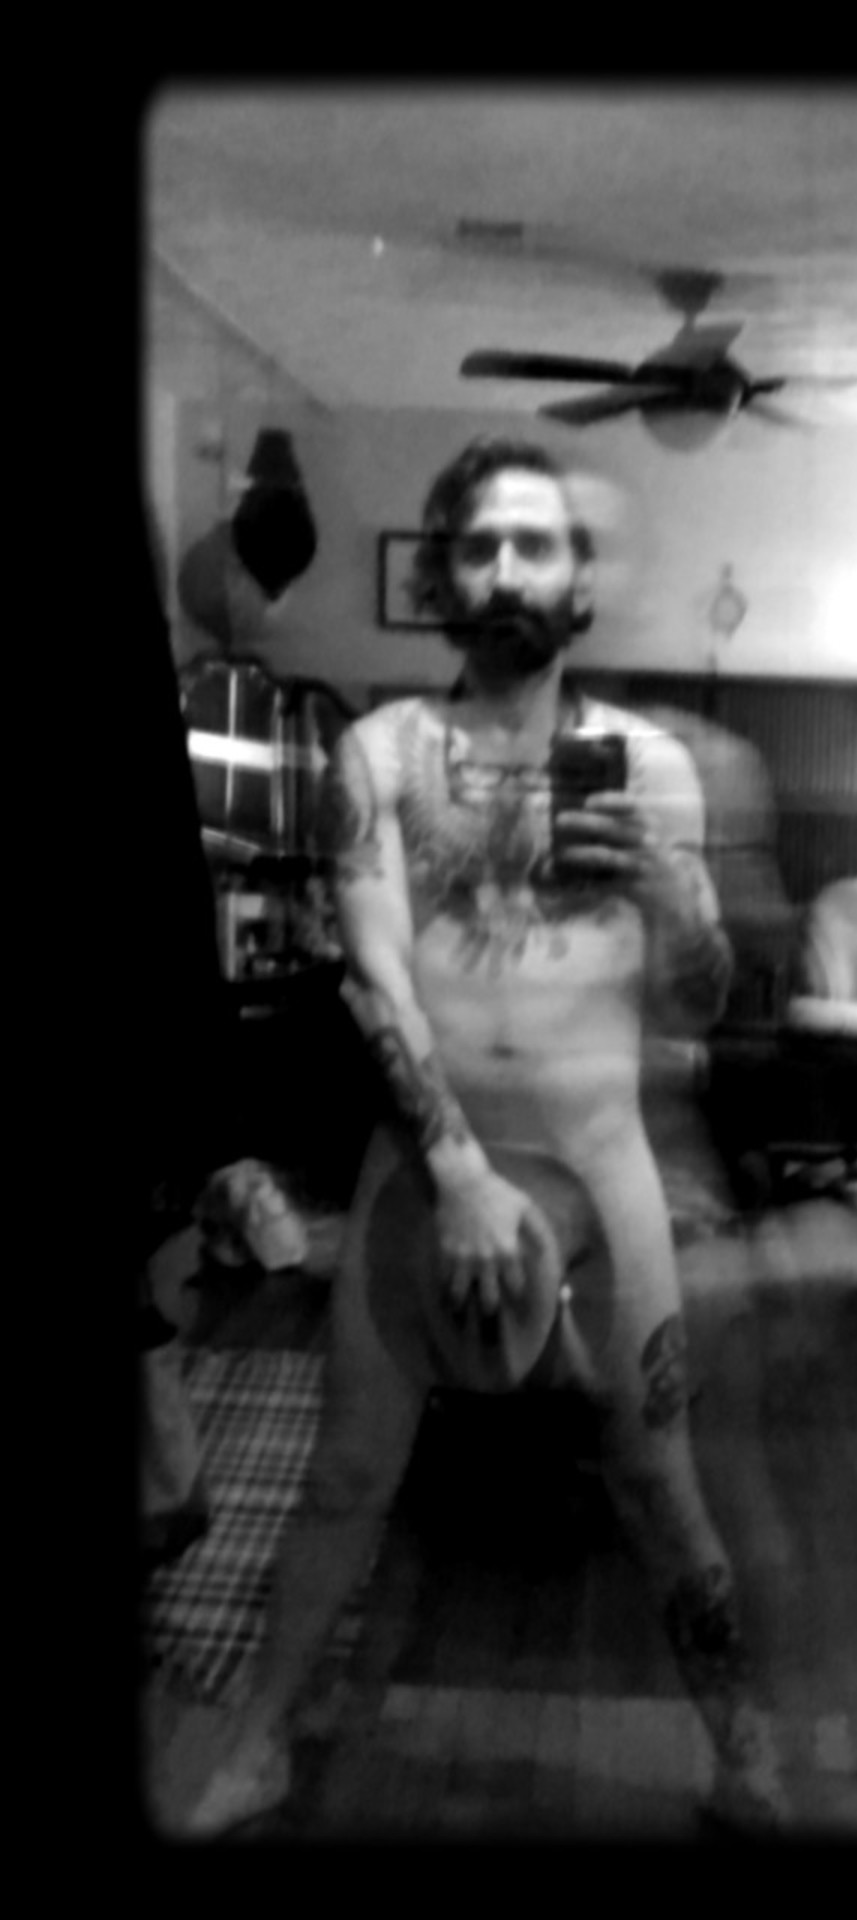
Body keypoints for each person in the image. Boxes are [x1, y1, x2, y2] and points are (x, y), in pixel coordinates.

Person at [185, 433, 784, 1837]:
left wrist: (678, 905)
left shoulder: (652, 768)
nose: (507, 568)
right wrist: (455, 1173)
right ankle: (256, 1746)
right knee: (347, 1477)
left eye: (538, 543)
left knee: (658, 1480)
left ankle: (747, 1754)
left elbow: (697, 1006)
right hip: (425, 1166)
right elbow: (373, 973)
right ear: (440, 581)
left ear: (580, 584)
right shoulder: (378, 755)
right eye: (479, 545)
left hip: (603, 1171)